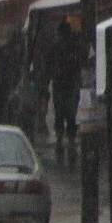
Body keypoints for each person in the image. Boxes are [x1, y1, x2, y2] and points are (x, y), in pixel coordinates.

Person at [50, 21, 83, 164]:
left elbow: (50, 65)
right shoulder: (70, 47)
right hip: (66, 85)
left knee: (63, 113)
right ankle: (66, 139)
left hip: (64, 85)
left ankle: (63, 139)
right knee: (68, 113)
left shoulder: (59, 47)